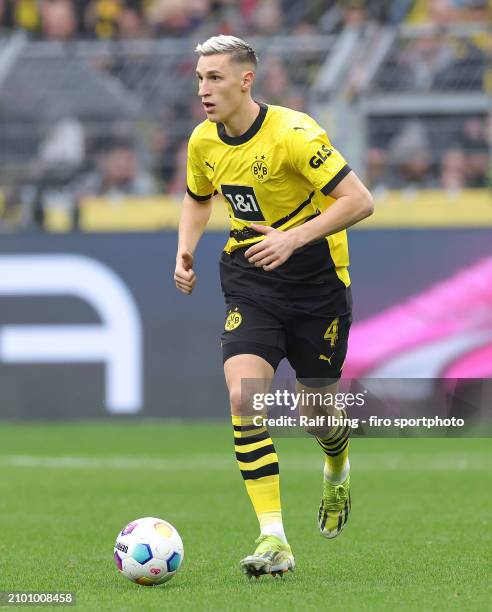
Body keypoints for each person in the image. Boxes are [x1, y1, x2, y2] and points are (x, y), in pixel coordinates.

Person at [174, 34, 373, 578]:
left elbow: (360, 200)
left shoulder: (295, 133)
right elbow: (197, 198)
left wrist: (295, 237)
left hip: (316, 284)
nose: (203, 90)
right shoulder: (203, 142)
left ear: (246, 79)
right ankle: (273, 538)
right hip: (251, 277)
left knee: (316, 414)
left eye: (214, 78)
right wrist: (185, 249)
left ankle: (337, 464)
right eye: (199, 78)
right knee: (245, 400)